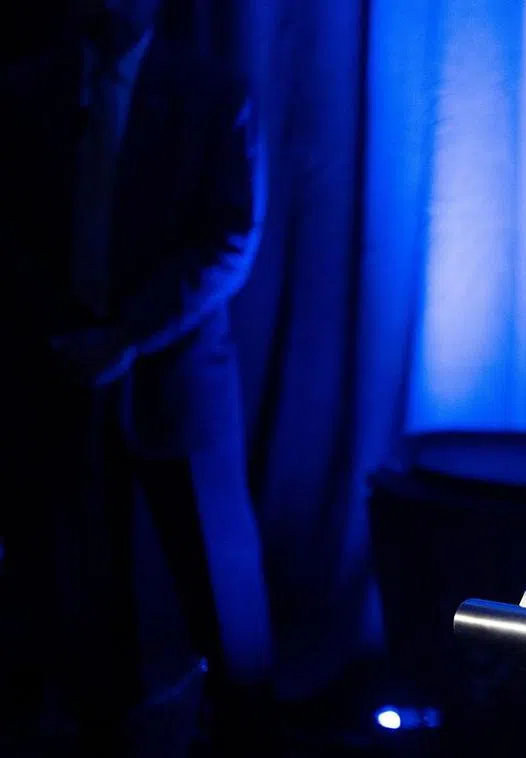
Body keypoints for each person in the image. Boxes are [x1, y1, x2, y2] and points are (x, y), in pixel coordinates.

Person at [0, 1, 273, 754]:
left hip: (176, 378)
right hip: (57, 373)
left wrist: (123, 337)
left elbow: (231, 236)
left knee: (219, 586)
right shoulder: (25, 90)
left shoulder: (214, 92)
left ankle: (246, 733)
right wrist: (63, 333)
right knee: (74, 582)